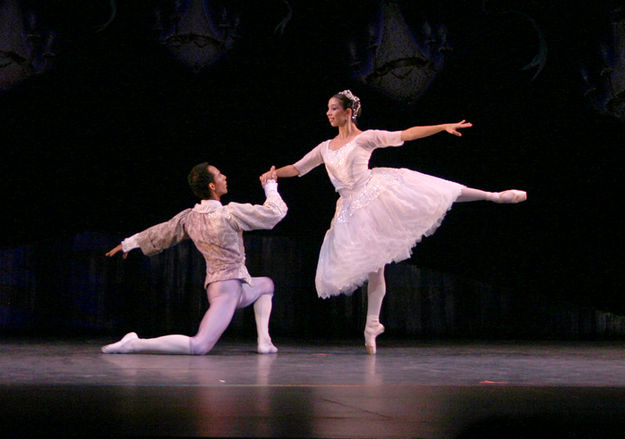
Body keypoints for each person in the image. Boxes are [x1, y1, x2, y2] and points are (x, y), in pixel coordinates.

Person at [273, 89, 527, 354]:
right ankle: (372, 325)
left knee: (434, 190)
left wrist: (442, 127)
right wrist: (273, 174)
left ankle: (494, 196)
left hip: (374, 196)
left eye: (333, 108)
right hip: (350, 210)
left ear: (348, 112)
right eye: (328, 108)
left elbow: (407, 134)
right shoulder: (325, 148)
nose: (328, 113)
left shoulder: (366, 138)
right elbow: (298, 168)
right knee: (375, 267)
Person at [102, 163, 287, 355]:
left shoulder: (190, 218)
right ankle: (134, 343)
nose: (224, 177)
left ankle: (265, 342)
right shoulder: (229, 213)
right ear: (212, 186)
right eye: (219, 175)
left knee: (266, 285)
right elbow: (273, 213)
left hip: (229, 286)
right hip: (227, 290)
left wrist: (128, 244)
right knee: (199, 345)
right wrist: (270, 186)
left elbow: (161, 233)